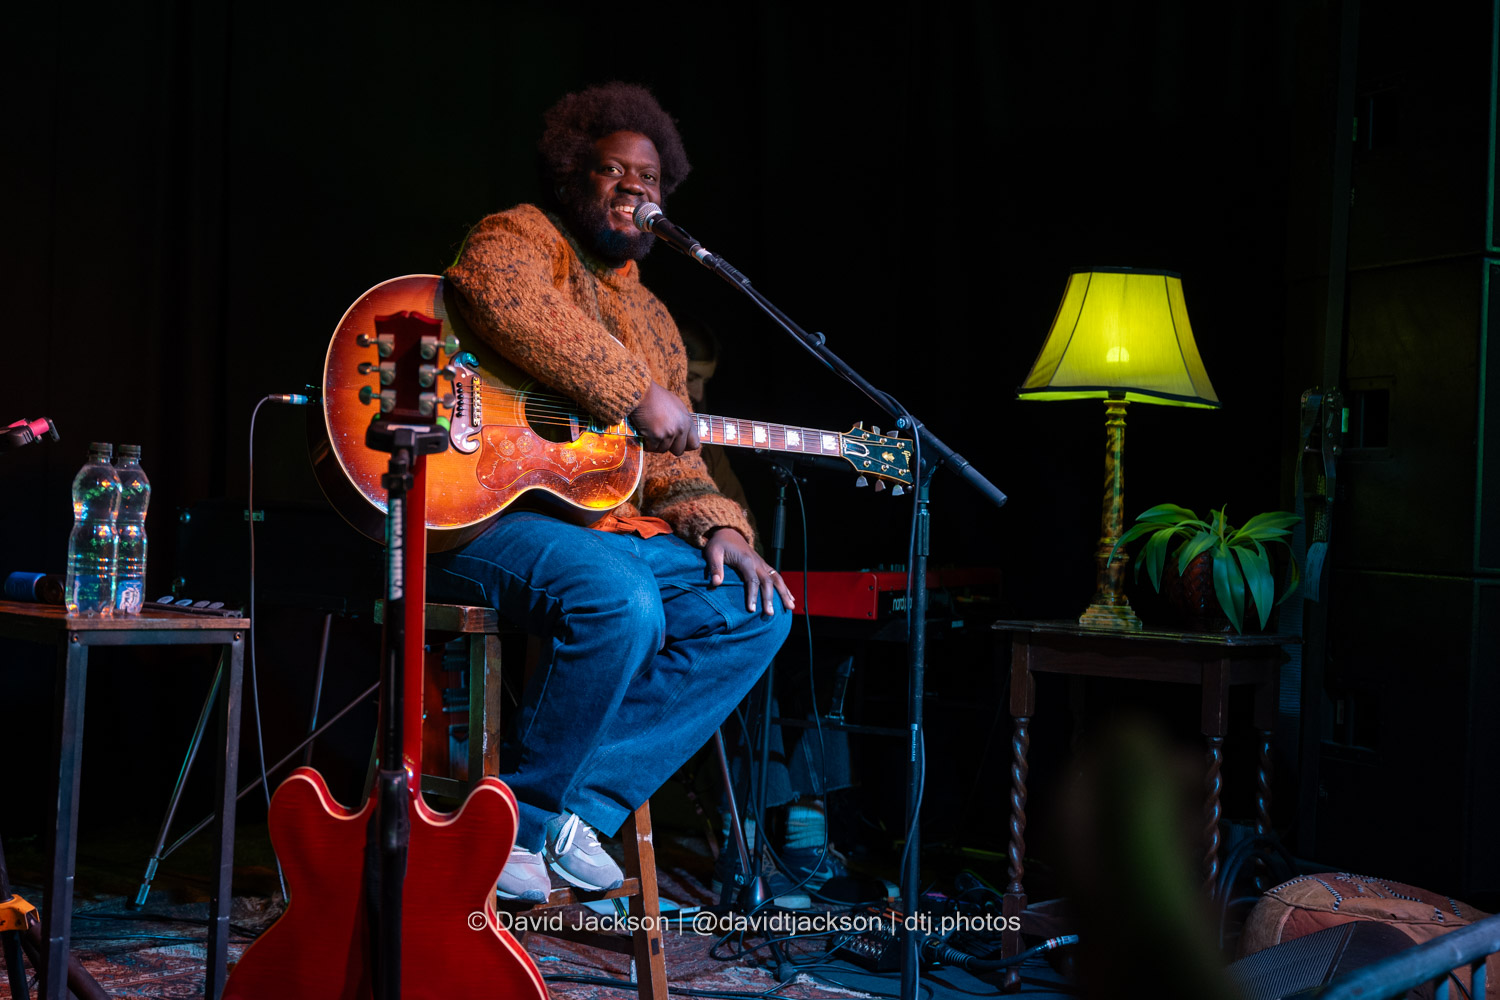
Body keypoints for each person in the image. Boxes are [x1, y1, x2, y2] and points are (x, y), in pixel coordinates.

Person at [429, 82, 795, 902]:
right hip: (480, 515)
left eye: (652, 179)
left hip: (598, 531)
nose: (637, 190)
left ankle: (575, 811)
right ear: (571, 176)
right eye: (613, 173)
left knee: (755, 609)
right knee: (621, 597)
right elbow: (499, 294)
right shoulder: (517, 237)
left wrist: (718, 528)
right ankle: (518, 820)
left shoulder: (657, 317)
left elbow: (669, 463)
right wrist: (630, 391)